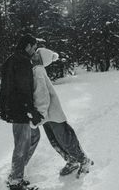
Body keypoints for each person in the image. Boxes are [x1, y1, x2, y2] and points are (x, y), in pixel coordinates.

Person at [31, 48, 93, 178]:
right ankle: (72, 161)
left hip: (51, 113)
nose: (34, 55)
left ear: (42, 59)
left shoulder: (38, 70)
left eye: (37, 54)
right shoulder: (36, 70)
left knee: (65, 138)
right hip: (46, 115)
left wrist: (40, 113)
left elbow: (42, 94)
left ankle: (83, 160)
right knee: (54, 140)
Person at [0, 34, 44, 190]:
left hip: (15, 108)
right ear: (28, 46)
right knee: (22, 144)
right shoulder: (22, 61)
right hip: (20, 110)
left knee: (34, 137)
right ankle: (16, 181)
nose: (35, 50)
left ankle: (17, 172)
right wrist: (31, 111)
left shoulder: (13, 58)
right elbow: (23, 90)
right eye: (34, 47)